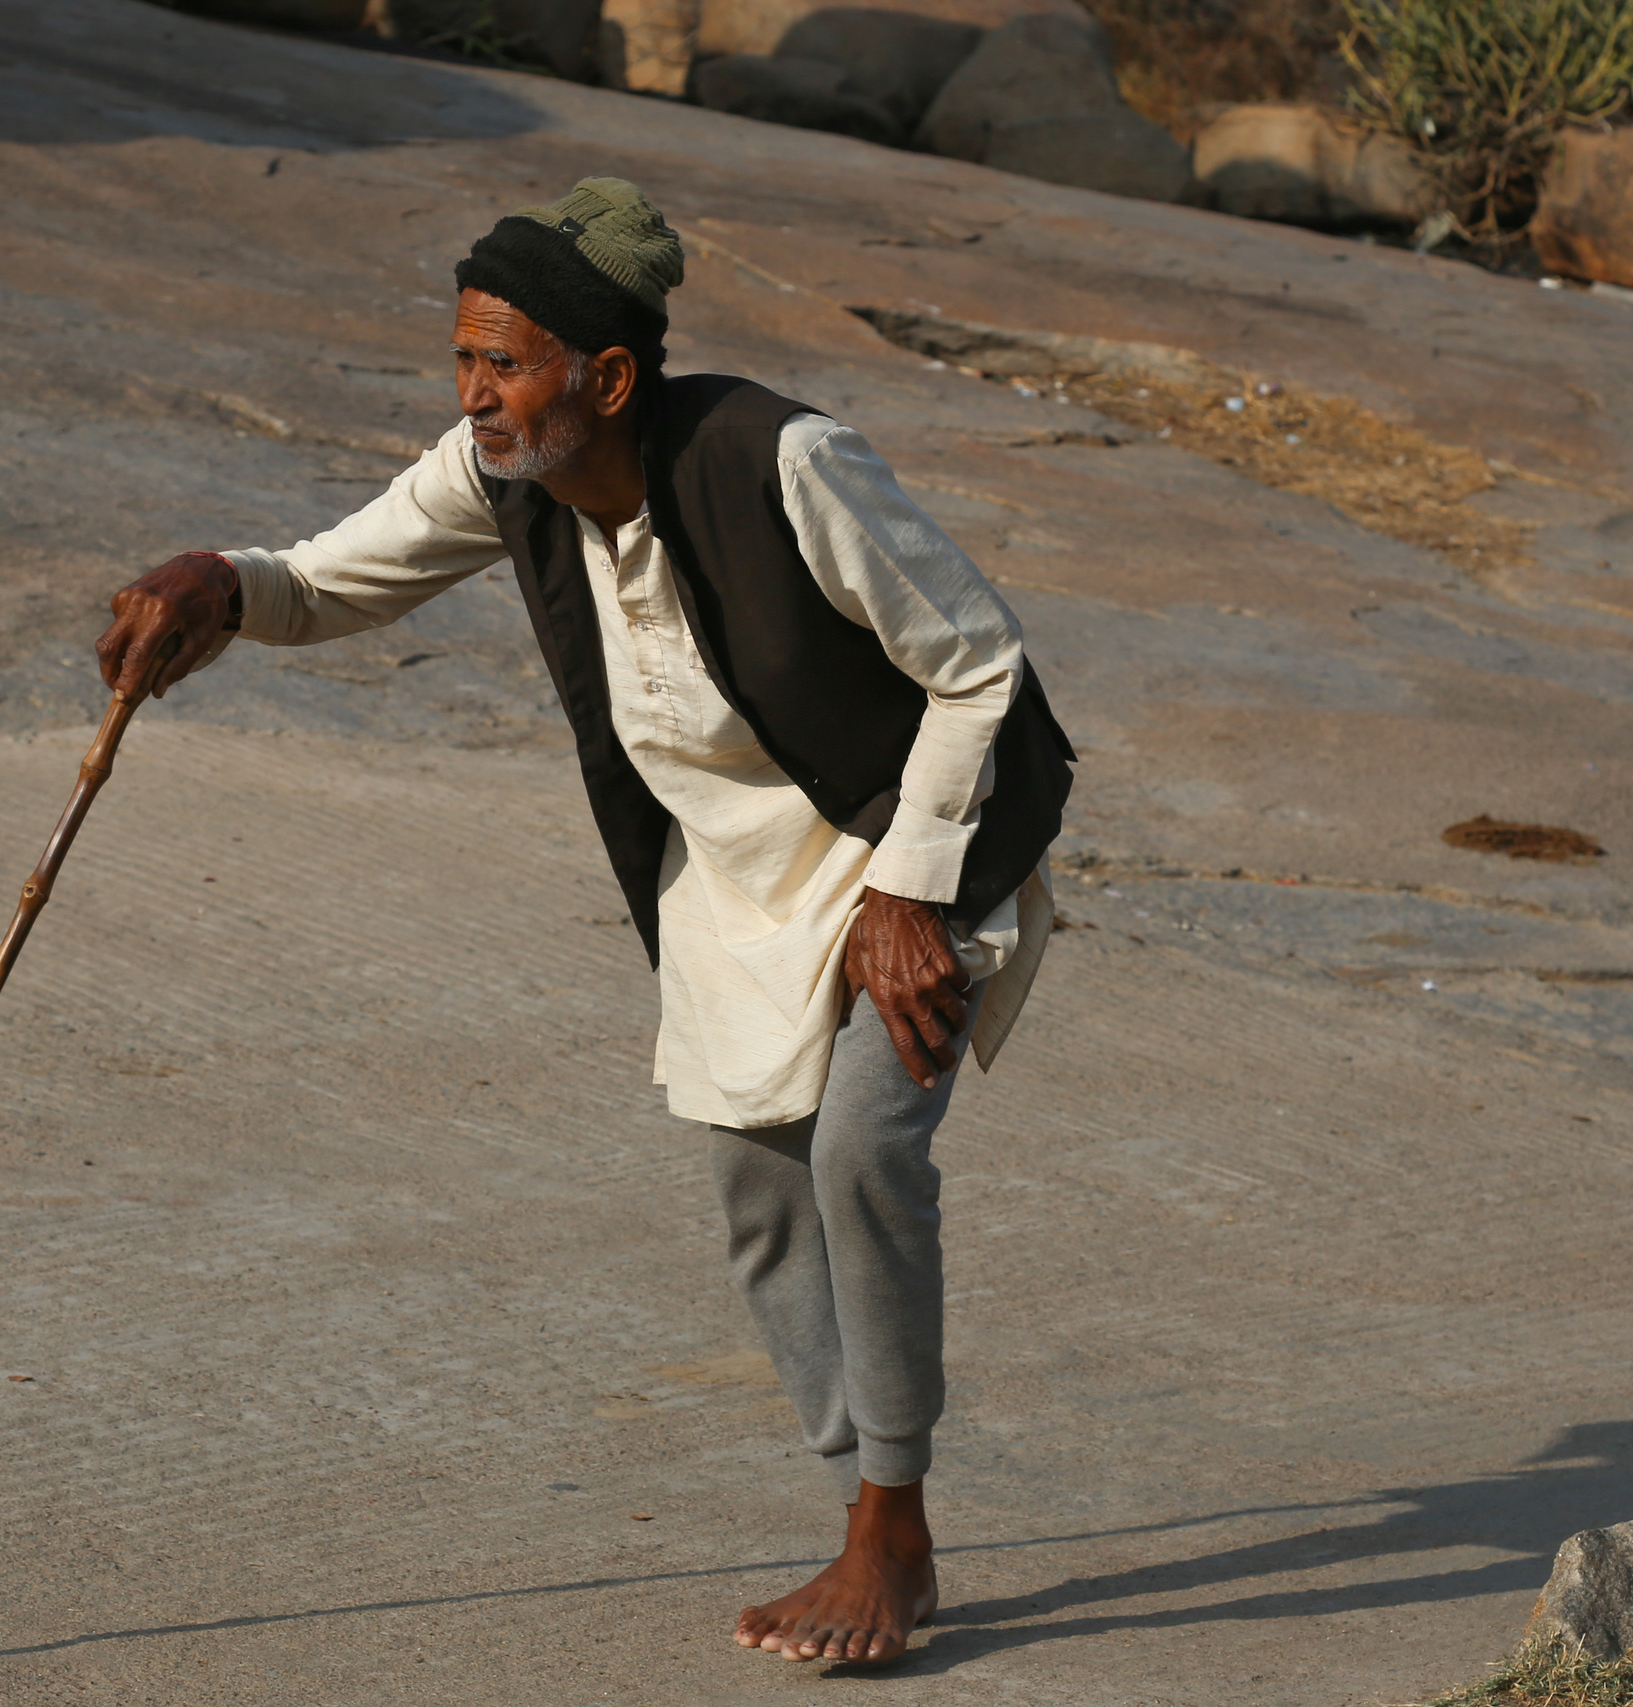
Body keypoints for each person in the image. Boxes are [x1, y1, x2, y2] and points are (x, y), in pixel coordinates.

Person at [94, 177, 1073, 1665]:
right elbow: (329, 582)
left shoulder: (786, 461)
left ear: (607, 379)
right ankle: (864, 1503)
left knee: (865, 1149)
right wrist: (215, 586)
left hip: (909, 846)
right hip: (737, 878)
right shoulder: (501, 472)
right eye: (462, 361)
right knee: (762, 1196)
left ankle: (893, 1534)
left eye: (505, 364)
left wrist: (908, 887)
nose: (473, 395)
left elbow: (980, 665)